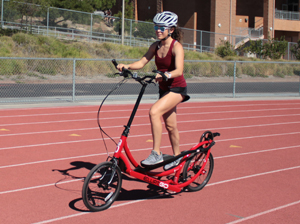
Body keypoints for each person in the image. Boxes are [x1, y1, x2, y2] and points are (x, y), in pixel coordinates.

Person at [117, 11, 189, 170]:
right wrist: (126, 66)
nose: (157, 30)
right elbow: (142, 62)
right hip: (164, 89)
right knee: (171, 126)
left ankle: (156, 153)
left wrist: (165, 74)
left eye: (161, 27)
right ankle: (178, 157)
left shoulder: (176, 47)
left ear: (170, 29)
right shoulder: (155, 46)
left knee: (154, 112)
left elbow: (179, 70)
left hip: (177, 88)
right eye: (156, 26)